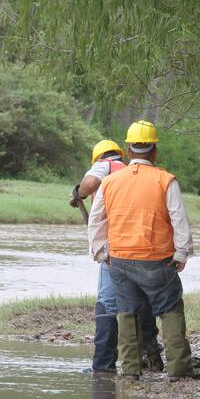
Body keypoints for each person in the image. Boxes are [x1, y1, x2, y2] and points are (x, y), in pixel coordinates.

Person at [88, 120, 199, 380]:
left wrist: (101, 253)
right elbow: (178, 218)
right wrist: (182, 253)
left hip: (120, 260)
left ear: (128, 149)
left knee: (126, 312)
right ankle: (179, 370)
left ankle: (130, 370)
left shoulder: (110, 182)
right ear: (154, 150)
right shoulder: (165, 180)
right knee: (170, 309)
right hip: (157, 261)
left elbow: (96, 220)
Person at [71, 139, 164, 374]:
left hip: (116, 248)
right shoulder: (131, 171)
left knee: (108, 302)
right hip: (143, 246)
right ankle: (149, 357)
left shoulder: (106, 166)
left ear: (99, 158)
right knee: (141, 301)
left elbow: (89, 183)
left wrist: (78, 193)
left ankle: (103, 364)